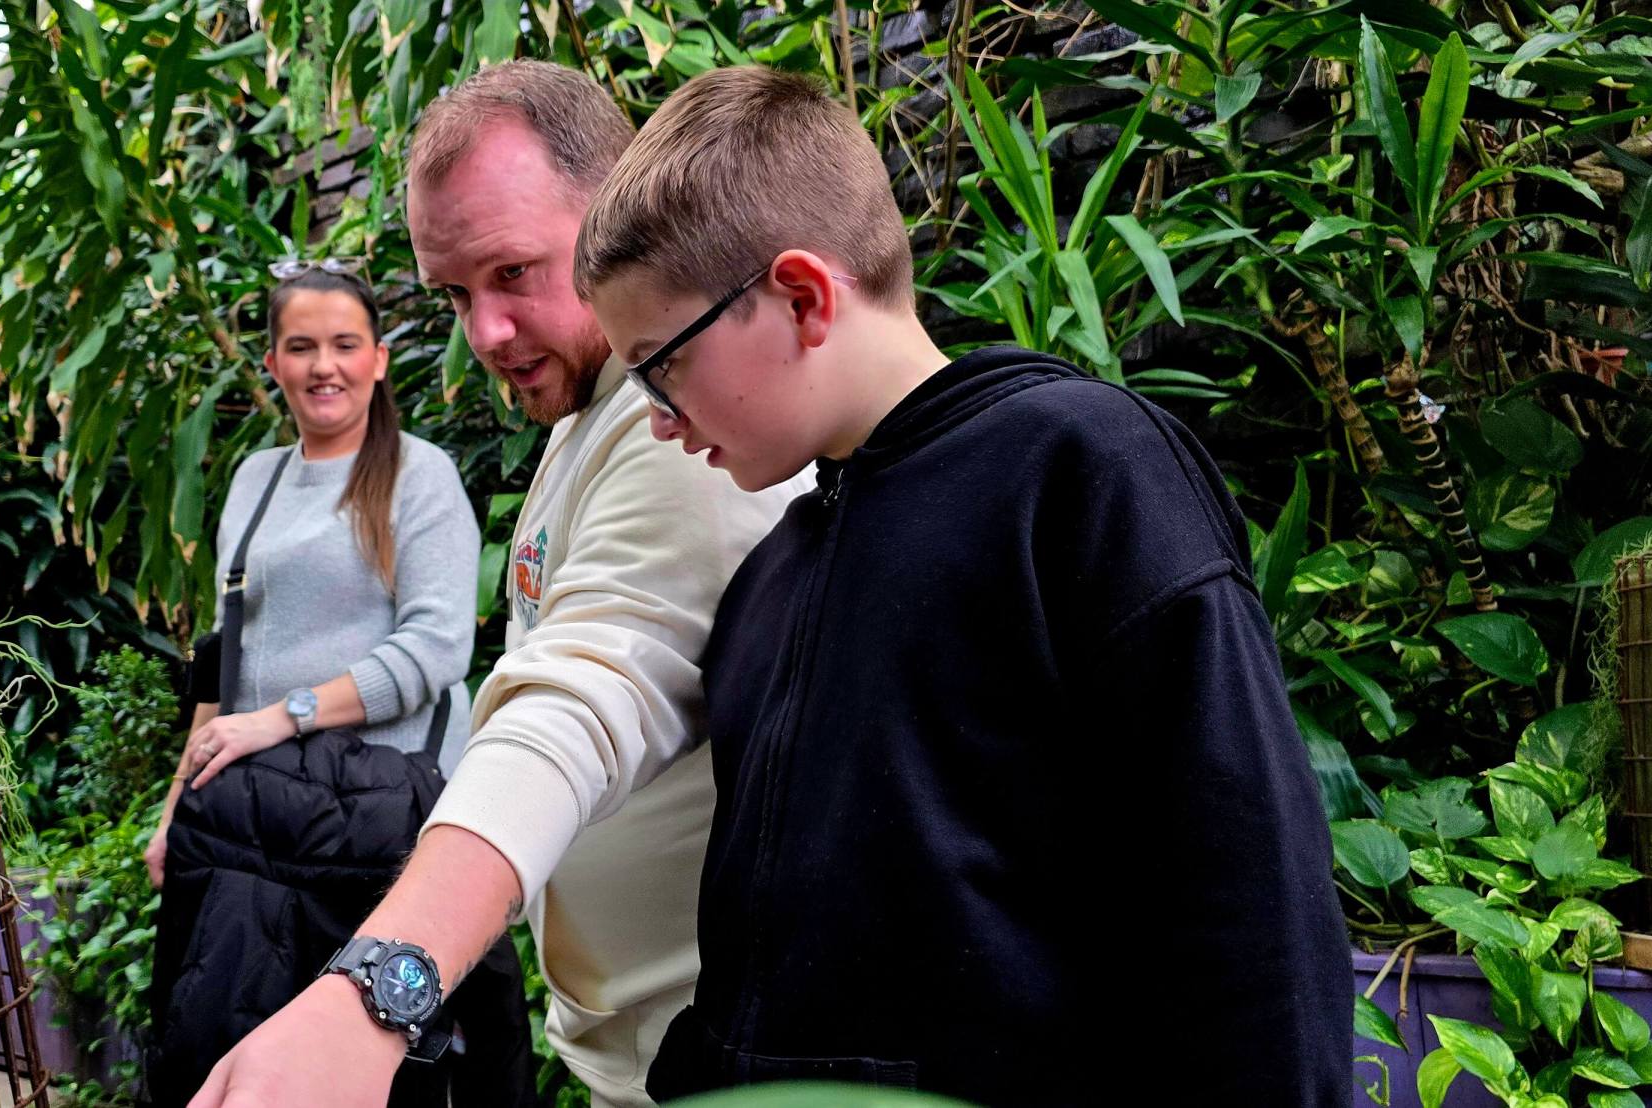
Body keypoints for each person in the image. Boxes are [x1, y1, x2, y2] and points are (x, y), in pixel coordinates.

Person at [571, 66, 1353, 1105]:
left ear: (801, 297)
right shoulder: (768, 583)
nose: (657, 419)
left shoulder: (1079, 474)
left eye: (660, 364)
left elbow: (1252, 909)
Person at [189, 61, 807, 1108]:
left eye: (515, 271)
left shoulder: (677, 431)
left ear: (620, 213)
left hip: (718, 1052)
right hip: (634, 1043)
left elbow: (579, 697)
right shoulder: (584, 414)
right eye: (455, 295)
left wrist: (376, 993)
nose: (483, 333)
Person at [143, 266, 532, 1107]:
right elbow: (225, 660)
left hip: (376, 838)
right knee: (230, 1049)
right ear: (274, 364)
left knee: (390, 1065)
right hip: (258, 840)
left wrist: (286, 717)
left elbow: (433, 650)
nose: (325, 366)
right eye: (302, 346)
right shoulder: (256, 480)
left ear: (379, 359)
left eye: (345, 345)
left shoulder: (419, 475)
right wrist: (177, 806)